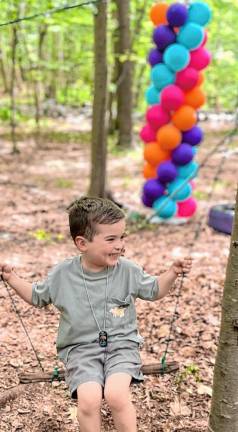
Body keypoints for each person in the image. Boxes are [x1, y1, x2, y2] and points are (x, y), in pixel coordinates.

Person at [0, 196, 192, 432]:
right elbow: (36, 296)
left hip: (122, 346)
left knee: (116, 394)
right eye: (111, 239)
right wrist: (12, 279)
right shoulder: (63, 274)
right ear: (82, 243)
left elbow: (154, 290)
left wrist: (172, 272)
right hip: (80, 349)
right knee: (89, 399)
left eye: (122, 237)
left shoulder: (128, 271)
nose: (120, 245)